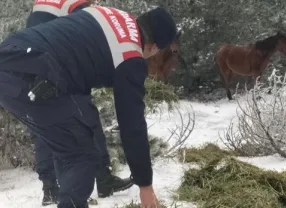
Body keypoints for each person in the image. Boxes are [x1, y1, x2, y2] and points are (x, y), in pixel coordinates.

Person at [0, 3, 177, 208]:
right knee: (80, 154)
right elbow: (132, 125)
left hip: (10, 56)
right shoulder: (131, 55)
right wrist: (145, 184)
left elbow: (74, 47)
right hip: (35, 77)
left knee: (70, 140)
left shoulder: (109, 13)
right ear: (154, 46)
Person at [24, 1, 134, 206]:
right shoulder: (76, 3)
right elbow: (95, 25)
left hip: (35, 59)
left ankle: (49, 188)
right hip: (61, 67)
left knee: (43, 127)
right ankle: (103, 178)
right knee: (87, 120)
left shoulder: (44, 4)